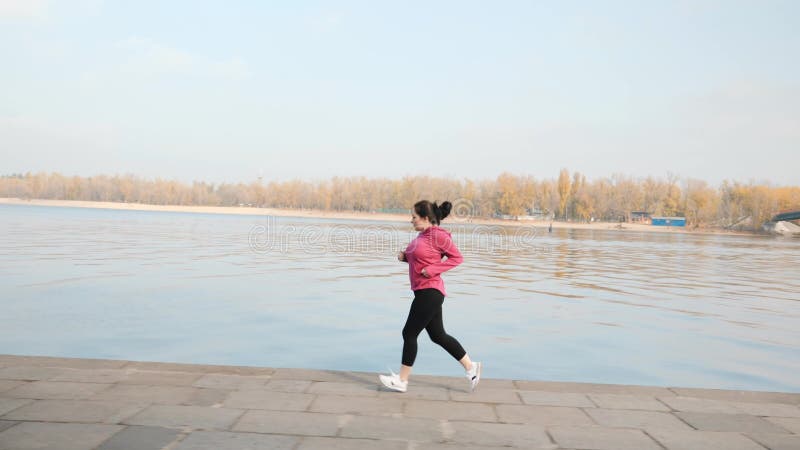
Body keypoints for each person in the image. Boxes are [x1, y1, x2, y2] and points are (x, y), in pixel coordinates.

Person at [379, 200, 481, 393]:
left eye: (414, 217)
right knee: (437, 335)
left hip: (430, 291)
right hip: (424, 291)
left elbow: (457, 258)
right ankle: (471, 367)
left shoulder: (438, 236)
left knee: (409, 333)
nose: (411, 220)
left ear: (425, 218)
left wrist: (433, 269)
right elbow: (422, 257)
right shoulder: (423, 235)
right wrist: (405, 257)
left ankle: (402, 380)